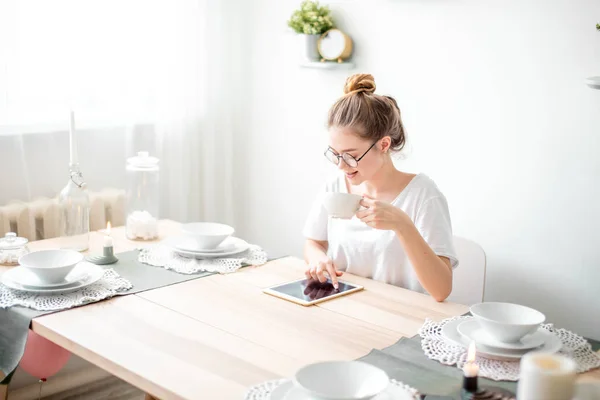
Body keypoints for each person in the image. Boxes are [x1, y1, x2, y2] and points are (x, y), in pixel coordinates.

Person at [302, 73, 458, 302]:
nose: (341, 165)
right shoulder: (335, 186)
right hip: (344, 308)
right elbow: (313, 242)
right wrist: (317, 259)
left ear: (383, 145)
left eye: (350, 156)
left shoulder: (423, 195)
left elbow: (441, 290)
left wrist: (402, 224)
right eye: (335, 155)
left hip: (400, 317)